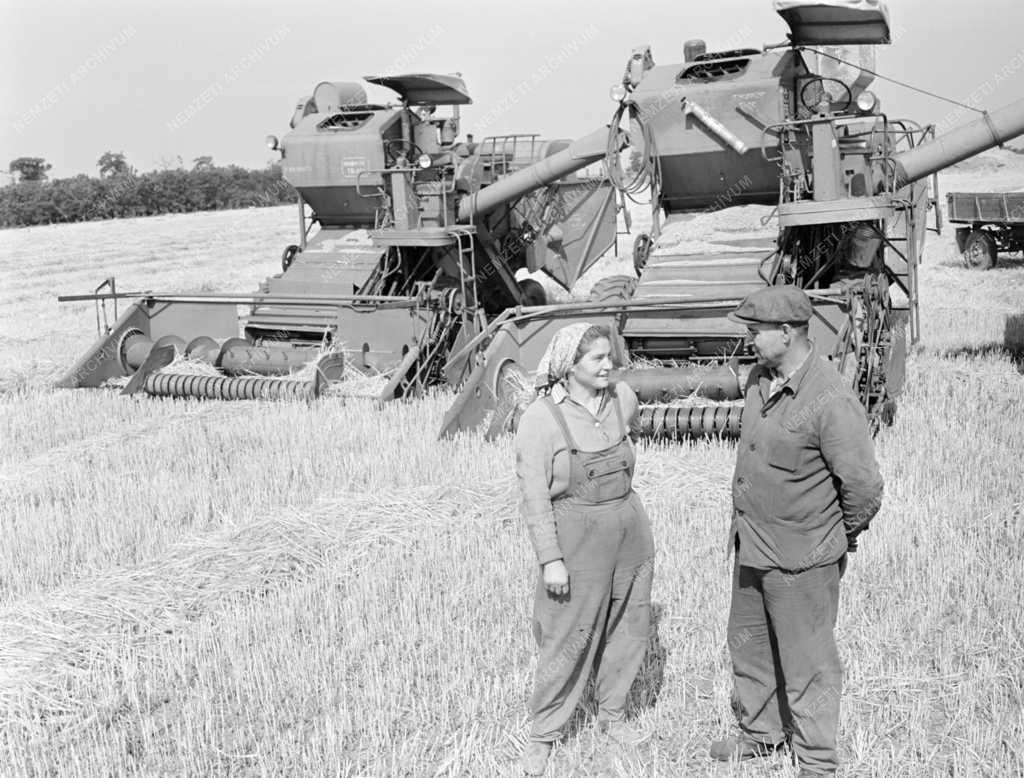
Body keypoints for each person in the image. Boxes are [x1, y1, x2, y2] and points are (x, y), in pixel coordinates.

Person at [711, 285, 884, 776]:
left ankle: (816, 762)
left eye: (755, 331)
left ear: (786, 333)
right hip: (752, 546)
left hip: (803, 559)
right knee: (748, 645)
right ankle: (761, 735)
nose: (749, 340)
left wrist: (835, 537)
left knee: (809, 664)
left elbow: (864, 486)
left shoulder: (830, 397)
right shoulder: (758, 379)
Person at [514, 322, 655, 776]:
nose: (607, 365)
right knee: (567, 634)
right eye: (596, 358)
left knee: (629, 626)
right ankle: (544, 733)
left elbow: (631, 433)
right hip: (576, 537)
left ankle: (612, 715)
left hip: (630, 532)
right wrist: (551, 559)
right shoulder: (541, 419)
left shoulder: (623, 399)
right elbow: (535, 496)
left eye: (608, 356)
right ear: (567, 365)